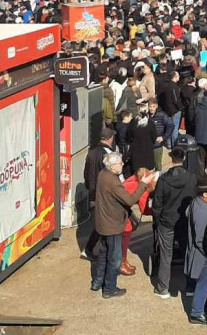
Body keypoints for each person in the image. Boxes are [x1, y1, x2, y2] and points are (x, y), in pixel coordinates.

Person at [92, 152, 153, 298]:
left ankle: (97, 282)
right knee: (115, 258)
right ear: (112, 166)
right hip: (113, 225)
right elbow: (130, 200)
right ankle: (109, 288)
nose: (123, 164)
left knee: (103, 253)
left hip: (103, 222)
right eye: (120, 163)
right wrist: (143, 184)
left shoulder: (103, 174)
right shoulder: (113, 182)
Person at [151, 147, 196, 298]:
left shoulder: (163, 179)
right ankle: (190, 286)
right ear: (184, 158)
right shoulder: (192, 177)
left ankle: (163, 288)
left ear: (171, 159)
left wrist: (157, 220)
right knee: (188, 252)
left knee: (165, 255)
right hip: (185, 220)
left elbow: (157, 203)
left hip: (167, 221)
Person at [186, 177, 207, 326]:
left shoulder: (196, 203)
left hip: (200, 252)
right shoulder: (202, 211)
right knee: (204, 285)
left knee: (205, 284)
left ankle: (203, 309)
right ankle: (196, 313)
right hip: (203, 255)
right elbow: (200, 239)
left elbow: (187, 213)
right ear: (205, 194)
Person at [82, 127, 117, 259]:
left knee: (101, 221)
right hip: (105, 193)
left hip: (94, 192)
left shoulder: (91, 152)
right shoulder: (108, 154)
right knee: (104, 223)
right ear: (109, 139)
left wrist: (89, 188)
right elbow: (112, 175)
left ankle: (90, 248)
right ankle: (89, 249)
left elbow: (86, 173)